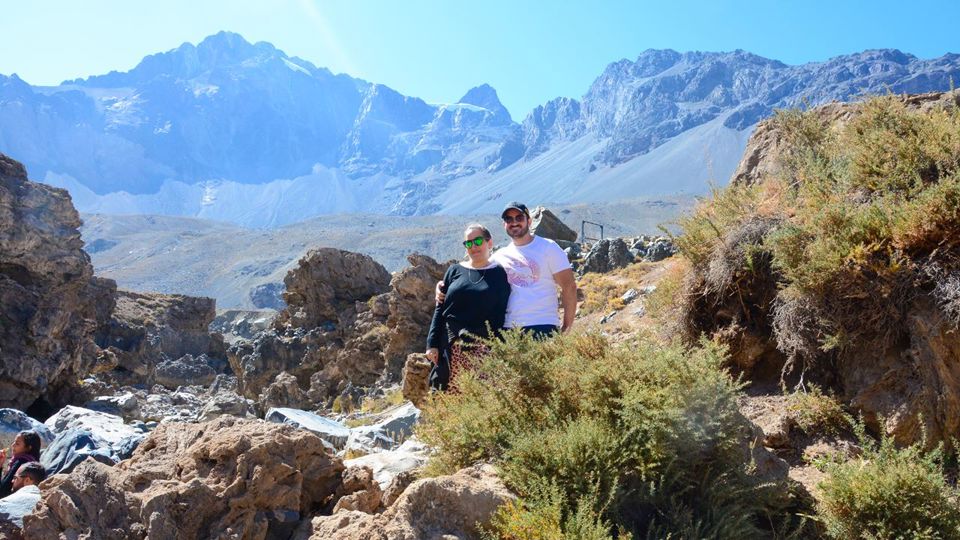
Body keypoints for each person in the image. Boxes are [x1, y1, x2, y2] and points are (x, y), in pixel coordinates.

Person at [437, 202, 577, 338]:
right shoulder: (499, 256)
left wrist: (567, 327)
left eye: (519, 218)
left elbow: (569, 286)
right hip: (508, 330)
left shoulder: (548, 247)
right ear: (504, 224)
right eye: (509, 219)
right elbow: (473, 273)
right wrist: (442, 286)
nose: (514, 222)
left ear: (529, 221)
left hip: (543, 325)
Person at [426, 224, 511, 390]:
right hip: (450, 346)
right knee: (448, 399)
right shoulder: (454, 271)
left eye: (478, 241)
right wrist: (432, 344)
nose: (473, 246)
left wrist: (500, 350)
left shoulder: (499, 274)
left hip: (482, 349)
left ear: (489, 243)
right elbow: (440, 309)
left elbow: (500, 315)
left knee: (479, 399)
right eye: (468, 243)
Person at [0, 431, 41, 498]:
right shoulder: (33, 464)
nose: (13, 445)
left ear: (28, 448)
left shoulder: (21, 462)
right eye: (14, 442)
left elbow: (3, 490)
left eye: (17, 443)